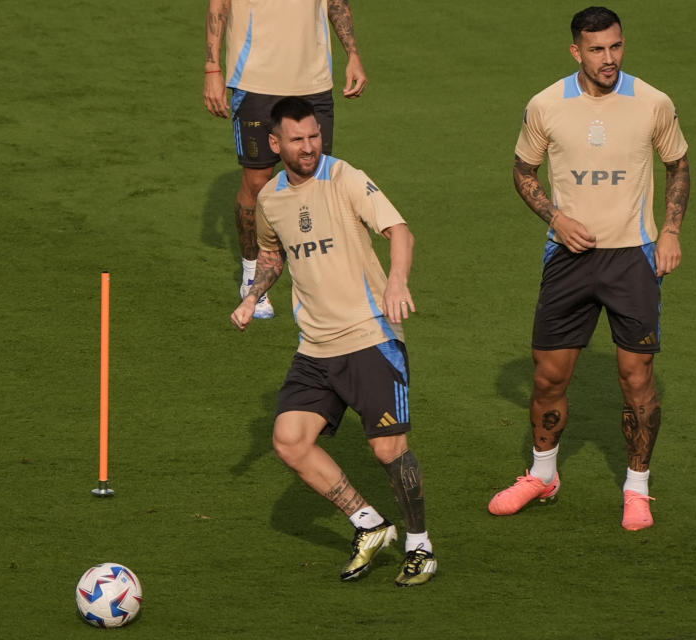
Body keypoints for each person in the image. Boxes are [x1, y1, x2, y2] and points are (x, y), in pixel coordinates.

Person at [488, 6, 691, 530]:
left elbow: (678, 165)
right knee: (549, 376)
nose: (609, 58)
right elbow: (523, 169)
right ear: (575, 50)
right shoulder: (546, 105)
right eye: (597, 49)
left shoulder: (653, 103)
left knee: (636, 377)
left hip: (633, 258)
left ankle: (637, 488)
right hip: (568, 257)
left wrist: (670, 230)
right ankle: (543, 475)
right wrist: (556, 215)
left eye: (616, 47)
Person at [231, 97, 436, 586]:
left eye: (314, 135)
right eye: (297, 139)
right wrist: (252, 296)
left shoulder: (344, 177)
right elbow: (271, 256)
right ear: (275, 143)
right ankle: (369, 524)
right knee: (289, 440)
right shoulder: (271, 199)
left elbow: (400, 231)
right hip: (315, 346)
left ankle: (420, 546)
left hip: (369, 335)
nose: (309, 147)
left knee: (389, 451)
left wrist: (397, 282)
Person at [204, 0, 369, 319]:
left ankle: (315, 280)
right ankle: (252, 276)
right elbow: (219, 6)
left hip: (314, 83)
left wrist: (353, 55)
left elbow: (335, 3)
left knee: (316, 182)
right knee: (257, 183)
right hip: (255, 81)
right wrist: (213, 69)